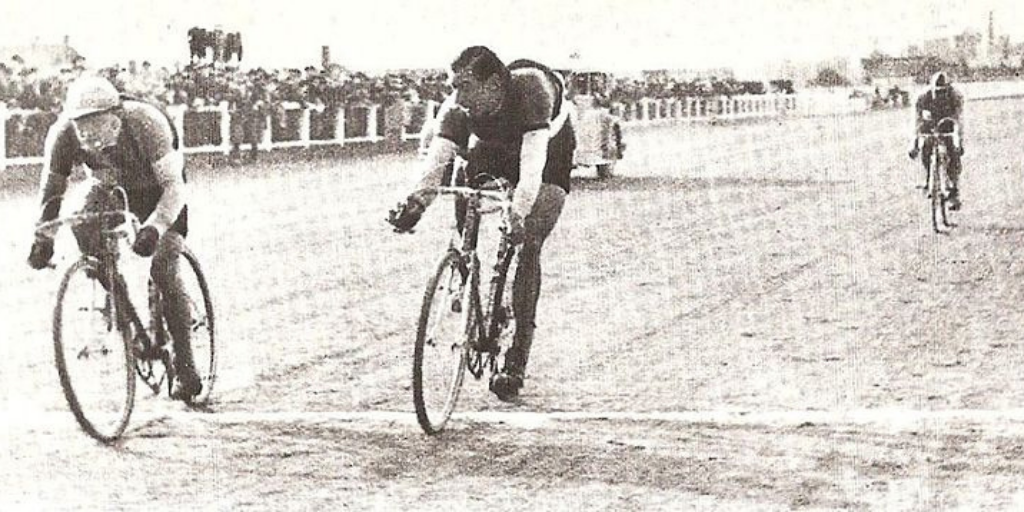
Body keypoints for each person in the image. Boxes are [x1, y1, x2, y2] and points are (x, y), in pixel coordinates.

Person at [387, 46, 575, 402]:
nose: (458, 97)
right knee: (462, 178)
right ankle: (465, 270)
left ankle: (516, 357)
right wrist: (414, 204)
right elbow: (434, 165)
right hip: (496, 144)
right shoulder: (458, 109)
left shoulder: (532, 91)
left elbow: (532, 169)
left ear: (493, 85)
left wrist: (517, 214)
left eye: (466, 86)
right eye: (453, 86)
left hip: (548, 148)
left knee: (528, 242)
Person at [26, 76, 202, 401]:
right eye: (82, 129)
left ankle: (186, 366)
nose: (88, 137)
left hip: (158, 191)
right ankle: (117, 296)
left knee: (164, 264)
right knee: (82, 221)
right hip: (110, 188)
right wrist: (44, 237)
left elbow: (174, 188)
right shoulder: (63, 135)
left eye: (96, 127)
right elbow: (52, 192)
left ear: (116, 118)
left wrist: (156, 226)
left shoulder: (146, 123)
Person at [908, 71, 965, 210]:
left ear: (948, 88)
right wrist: (914, 143)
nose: (940, 94)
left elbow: (959, 121)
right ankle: (928, 177)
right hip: (930, 121)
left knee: (953, 152)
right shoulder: (922, 97)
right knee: (926, 146)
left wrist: (960, 141)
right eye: (937, 91)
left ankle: (954, 190)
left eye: (943, 91)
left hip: (948, 120)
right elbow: (916, 122)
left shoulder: (955, 96)